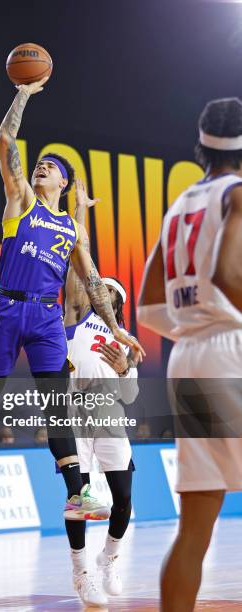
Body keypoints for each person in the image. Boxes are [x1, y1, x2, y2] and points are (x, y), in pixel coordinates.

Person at [0, 76, 145, 522]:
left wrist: (116, 329)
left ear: (64, 181)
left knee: (57, 401)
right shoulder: (22, 202)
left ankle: (78, 493)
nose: (41, 167)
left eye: (50, 166)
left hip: (45, 318)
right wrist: (22, 94)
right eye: (39, 164)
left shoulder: (71, 231)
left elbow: (93, 282)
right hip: (7, 308)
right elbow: (5, 139)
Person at [137, 97, 242, 612]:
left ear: (201, 147)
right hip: (231, 349)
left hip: (190, 357)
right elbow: (229, 274)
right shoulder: (238, 195)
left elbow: (147, 304)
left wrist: (190, 329)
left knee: (195, 526)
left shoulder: (180, 204)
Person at [63, 180, 140, 607]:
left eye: (109, 292)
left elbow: (130, 397)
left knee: (122, 500)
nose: (101, 292)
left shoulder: (125, 340)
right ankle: (80, 571)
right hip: (76, 416)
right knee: (78, 500)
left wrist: (125, 368)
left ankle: (109, 557)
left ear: (119, 303)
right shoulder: (76, 320)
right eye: (99, 289)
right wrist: (79, 209)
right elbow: (80, 254)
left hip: (110, 416)